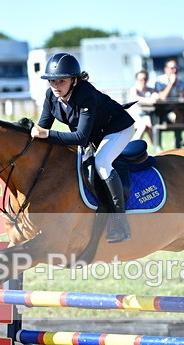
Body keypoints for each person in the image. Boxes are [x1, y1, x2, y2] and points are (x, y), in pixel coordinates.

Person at [31, 52, 136, 243]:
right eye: (52, 81)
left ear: (74, 80)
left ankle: (120, 222)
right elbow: (42, 127)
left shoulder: (85, 94)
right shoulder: (51, 96)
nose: (55, 86)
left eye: (61, 81)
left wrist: (47, 135)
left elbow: (79, 137)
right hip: (95, 134)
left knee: (102, 164)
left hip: (117, 128)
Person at [155, 58, 184, 148]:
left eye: (176, 68)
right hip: (162, 112)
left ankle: (178, 140)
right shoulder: (160, 81)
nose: (175, 70)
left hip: (177, 110)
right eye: (172, 68)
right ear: (166, 69)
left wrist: (178, 86)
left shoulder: (180, 82)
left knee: (179, 113)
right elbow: (162, 97)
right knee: (176, 115)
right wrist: (171, 84)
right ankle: (178, 140)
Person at [127, 70, 158, 151]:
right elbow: (136, 98)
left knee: (149, 125)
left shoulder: (150, 90)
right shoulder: (134, 89)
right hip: (134, 116)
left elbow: (156, 98)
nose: (143, 81)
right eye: (141, 79)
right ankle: (132, 147)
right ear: (136, 80)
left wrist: (152, 99)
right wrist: (150, 101)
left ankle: (156, 147)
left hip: (147, 116)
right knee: (143, 126)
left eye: (145, 79)